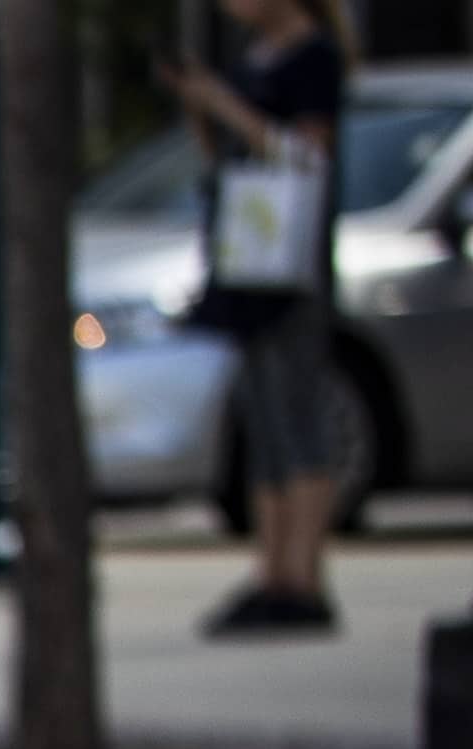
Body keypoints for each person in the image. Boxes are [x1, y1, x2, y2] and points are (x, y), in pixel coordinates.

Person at [171, 0, 352, 636]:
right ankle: (271, 570)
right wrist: (199, 105)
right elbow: (224, 156)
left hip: (291, 257)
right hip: (244, 252)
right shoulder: (250, 60)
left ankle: (306, 577)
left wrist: (224, 105)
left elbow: (306, 159)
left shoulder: (316, 59)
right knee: (263, 414)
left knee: (297, 409)